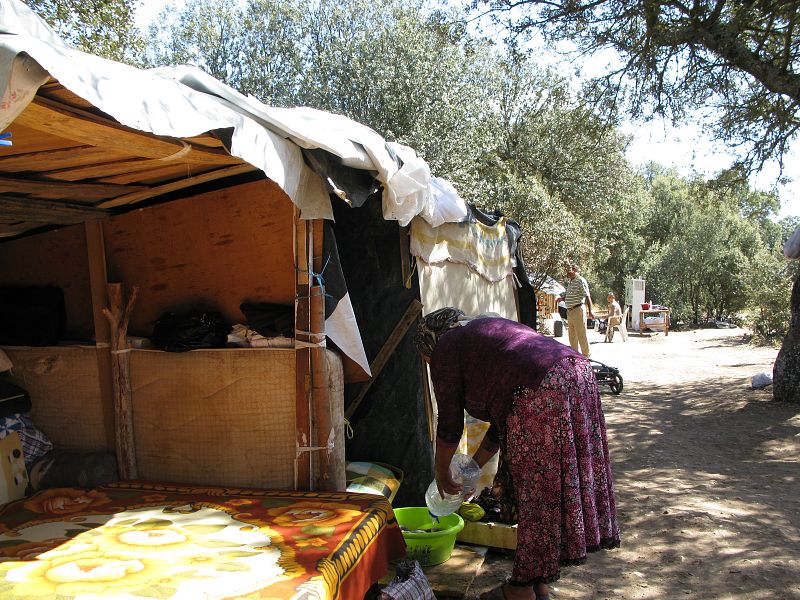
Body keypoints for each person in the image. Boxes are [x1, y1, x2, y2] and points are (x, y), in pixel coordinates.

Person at [415, 308, 620, 600]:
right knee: (547, 490)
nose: (429, 364)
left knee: (535, 494)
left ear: (429, 342)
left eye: (426, 359)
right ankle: (539, 583)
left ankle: (521, 589)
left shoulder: (446, 345)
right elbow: (502, 425)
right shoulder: (483, 334)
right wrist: (471, 468)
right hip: (578, 373)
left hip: (542, 388)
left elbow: (449, 422)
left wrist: (441, 471)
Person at [564, 263, 594, 357]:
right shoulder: (571, 281)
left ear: (574, 270)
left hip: (577, 310)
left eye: (569, 270)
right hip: (570, 311)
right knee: (572, 336)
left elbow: (587, 296)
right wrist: (562, 299)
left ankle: (586, 356)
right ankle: (575, 357)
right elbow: (572, 296)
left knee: (581, 334)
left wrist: (590, 311)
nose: (567, 272)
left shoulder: (580, 280)